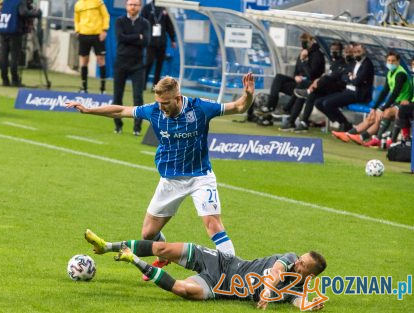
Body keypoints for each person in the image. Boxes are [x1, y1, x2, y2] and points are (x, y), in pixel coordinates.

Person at [67, 73, 255, 276]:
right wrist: (88, 110)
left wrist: (248, 95)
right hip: (170, 180)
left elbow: (238, 107)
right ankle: (164, 256)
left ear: (178, 97)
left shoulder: (200, 108)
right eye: (159, 102)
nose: (162, 107)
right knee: (148, 233)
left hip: (200, 177)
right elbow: (121, 110)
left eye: (165, 102)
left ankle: (235, 274)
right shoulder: (154, 111)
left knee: (213, 225)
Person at [83, 229, 327, 310]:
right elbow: (275, 272)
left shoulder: (296, 290)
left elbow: (298, 301)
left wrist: (310, 305)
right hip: (223, 263)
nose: (298, 262)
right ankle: (107, 246)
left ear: (310, 274)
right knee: (163, 248)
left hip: (219, 288)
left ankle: (132, 258)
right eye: (300, 259)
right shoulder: (288, 259)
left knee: (183, 290)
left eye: (303, 264)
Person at [332, 51, 412, 148]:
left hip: (402, 103)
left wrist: (382, 108)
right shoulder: (390, 73)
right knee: (372, 116)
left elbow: (394, 94)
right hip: (396, 103)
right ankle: (348, 134)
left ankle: (378, 139)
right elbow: (384, 92)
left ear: (398, 61)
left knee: (383, 114)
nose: (390, 63)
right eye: (389, 61)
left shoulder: (401, 74)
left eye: (393, 61)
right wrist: (374, 107)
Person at [257, 32, 325, 121]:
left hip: (309, 85)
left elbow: (312, 74)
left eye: (305, 41)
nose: (303, 44)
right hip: (298, 82)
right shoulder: (303, 52)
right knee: (279, 77)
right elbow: (296, 70)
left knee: (302, 84)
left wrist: (303, 60)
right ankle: (270, 106)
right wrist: (296, 76)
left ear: (312, 41)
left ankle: (287, 109)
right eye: (302, 41)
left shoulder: (317, 55)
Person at [285, 41, 350, 133]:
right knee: (309, 91)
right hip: (325, 87)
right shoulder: (333, 62)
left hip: (335, 89)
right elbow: (297, 72)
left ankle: (289, 112)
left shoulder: (340, 62)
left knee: (308, 89)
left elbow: (316, 75)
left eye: (336, 50)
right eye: (332, 50)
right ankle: (301, 122)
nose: (333, 52)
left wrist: (304, 62)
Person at [314, 43, 375, 132]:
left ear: (364, 51)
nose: (357, 54)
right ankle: (341, 122)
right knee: (318, 102)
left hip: (357, 94)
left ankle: (344, 123)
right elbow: (343, 75)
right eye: (355, 52)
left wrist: (350, 78)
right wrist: (350, 78)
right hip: (347, 90)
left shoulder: (367, 64)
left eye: (359, 51)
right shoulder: (354, 63)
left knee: (327, 103)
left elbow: (357, 81)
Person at [113, 0, 150, 135]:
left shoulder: (145, 23)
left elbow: (146, 41)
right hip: (121, 63)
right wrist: (137, 37)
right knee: (117, 96)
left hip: (138, 64)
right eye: (130, 4)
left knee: (138, 97)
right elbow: (120, 38)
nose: (133, 7)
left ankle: (137, 127)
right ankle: (118, 125)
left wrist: (132, 38)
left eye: (135, 4)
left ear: (140, 7)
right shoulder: (119, 21)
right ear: (126, 6)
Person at [0, 0, 42, 86]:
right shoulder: (19, 2)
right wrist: (36, 14)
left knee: (4, 56)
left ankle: (4, 79)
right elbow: (23, 13)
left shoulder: (5, 2)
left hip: (3, 31)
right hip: (14, 32)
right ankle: (15, 80)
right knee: (14, 57)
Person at [74, 0, 110, 94]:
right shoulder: (78, 4)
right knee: (84, 61)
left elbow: (105, 15)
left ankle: (103, 89)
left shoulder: (98, 1)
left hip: (97, 35)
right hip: (83, 35)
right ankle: (84, 88)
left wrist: (104, 30)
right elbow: (76, 19)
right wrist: (77, 31)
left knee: (101, 60)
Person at [141, 0, 176, 91]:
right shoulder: (147, 8)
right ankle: (142, 84)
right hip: (150, 41)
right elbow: (141, 23)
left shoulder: (165, 8)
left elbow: (169, 25)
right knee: (149, 63)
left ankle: (155, 86)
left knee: (159, 65)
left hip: (162, 41)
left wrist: (172, 39)